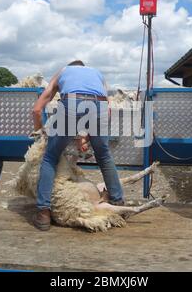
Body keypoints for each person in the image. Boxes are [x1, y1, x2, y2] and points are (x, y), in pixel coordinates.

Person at [32, 60, 125, 231]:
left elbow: (37, 109)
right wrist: (91, 133)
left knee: (50, 157)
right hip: (101, 106)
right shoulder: (97, 73)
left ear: (72, 66)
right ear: (84, 67)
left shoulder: (63, 71)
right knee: (104, 155)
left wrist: (40, 133)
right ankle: (118, 201)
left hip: (72, 103)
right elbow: (107, 108)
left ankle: (43, 212)